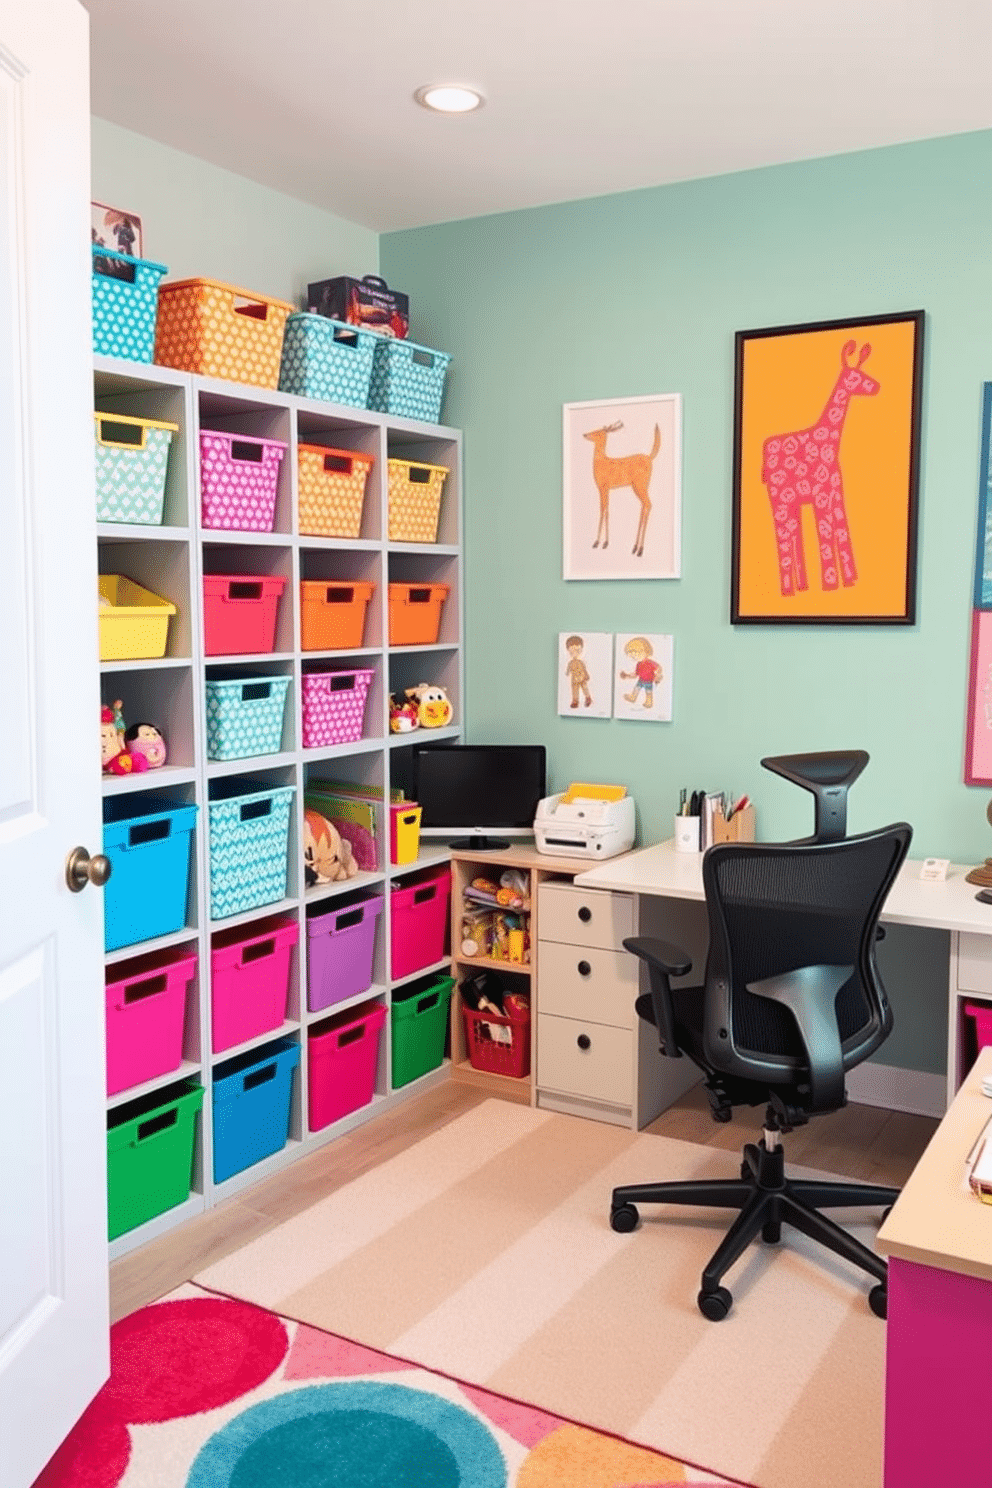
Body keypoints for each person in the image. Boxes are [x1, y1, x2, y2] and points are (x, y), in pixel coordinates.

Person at [620, 636, 662, 708]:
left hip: (649, 681)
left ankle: (649, 703)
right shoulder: (638, 664)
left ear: (644, 651)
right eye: (632, 655)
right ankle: (633, 698)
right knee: (636, 689)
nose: (633, 657)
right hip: (641, 680)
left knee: (648, 693)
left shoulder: (650, 663)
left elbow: (658, 668)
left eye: (634, 654)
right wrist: (627, 676)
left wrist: (657, 676)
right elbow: (636, 674)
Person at [564, 634, 592, 709]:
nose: (575, 653)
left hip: (582, 677)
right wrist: (567, 672)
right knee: (574, 690)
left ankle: (588, 697)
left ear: (581, 650)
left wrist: (586, 675)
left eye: (577, 650)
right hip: (574, 679)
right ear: (568, 651)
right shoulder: (570, 662)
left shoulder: (581, 662)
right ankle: (575, 701)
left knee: (584, 688)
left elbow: (584, 669)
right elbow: (568, 669)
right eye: (572, 651)